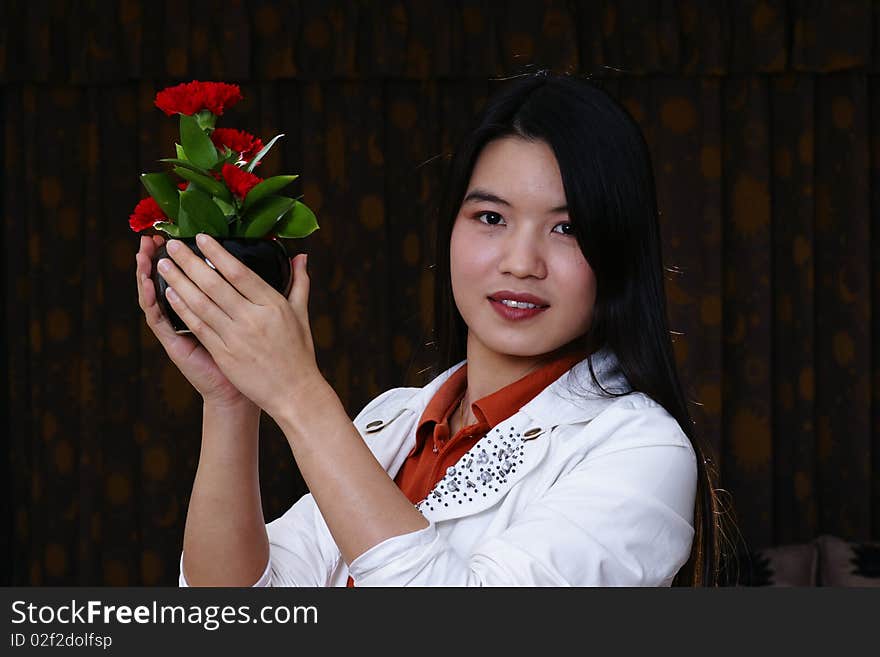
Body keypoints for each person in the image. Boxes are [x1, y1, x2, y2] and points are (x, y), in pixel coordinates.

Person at [135, 71, 727, 586]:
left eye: (566, 229)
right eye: (490, 217)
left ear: (618, 251)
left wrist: (296, 393)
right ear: (450, 231)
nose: (521, 262)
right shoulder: (393, 423)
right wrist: (233, 399)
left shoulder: (640, 450)